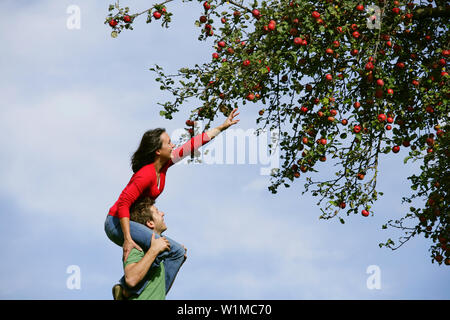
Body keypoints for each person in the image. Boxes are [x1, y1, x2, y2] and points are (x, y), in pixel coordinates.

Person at [105, 108, 240, 297]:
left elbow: (192, 145)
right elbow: (123, 204)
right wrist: (127, 239)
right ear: (158, 150)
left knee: (177, 254)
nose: (173, 144)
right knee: (173, 250)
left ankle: (148, 294)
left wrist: (222, 127)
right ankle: (126, 289)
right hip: (116, 222)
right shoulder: (146, 174)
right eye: (169, 142)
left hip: (129, 222)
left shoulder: (165, 165)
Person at [113, 196, 186, 300]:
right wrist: (154, 250)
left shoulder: (157, 257)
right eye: (157, 212)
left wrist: (175, 261)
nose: (162, 213)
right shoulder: (137, 248)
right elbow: (131, 279)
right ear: (150, 223)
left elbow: (159, 291)